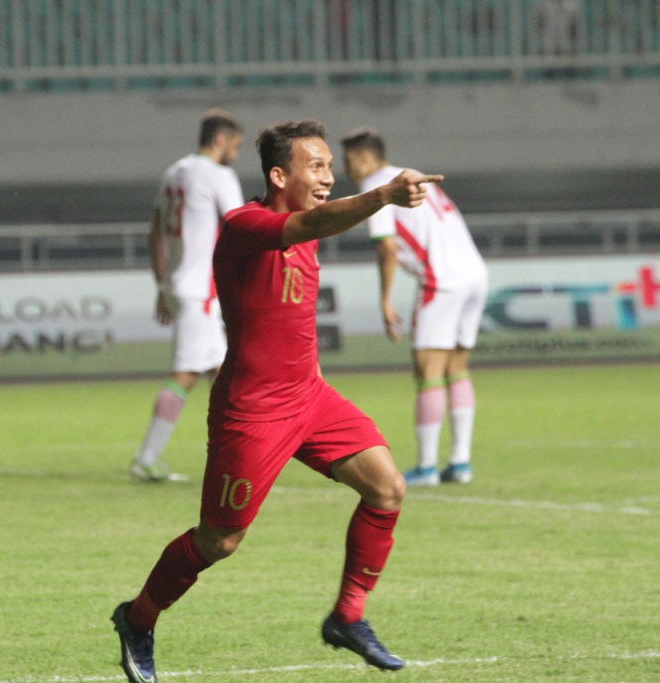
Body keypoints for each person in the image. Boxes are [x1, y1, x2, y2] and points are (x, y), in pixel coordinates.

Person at [111, 119, 441, 682]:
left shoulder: (308, 232)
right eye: (316, 166)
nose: (329, 176)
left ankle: (348, 617)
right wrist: (384, 195)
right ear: (278, 174)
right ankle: (138, 619)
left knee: (387, 488)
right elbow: (311, 220)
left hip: (310, 398)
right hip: (253, 411)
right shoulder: (245, 223)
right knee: (221, 539)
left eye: (330, 167)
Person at [341, 128, 488, 487]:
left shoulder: (378, 186)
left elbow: (386, 247)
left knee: (428, 372)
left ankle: (425, 467)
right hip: (475, 274)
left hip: (443, 280)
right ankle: (460, 462)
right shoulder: (412, 174)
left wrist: (385, 298)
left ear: (363, 157)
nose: (344, 170)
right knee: (457, 369)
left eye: (346, 161)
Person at [129, 109, 245, 483]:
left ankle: (238, 459)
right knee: (185, 374)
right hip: (201, 291)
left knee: (224, 375)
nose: (236, 155)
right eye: (236, 146)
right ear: (221, 140)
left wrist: (162, 286)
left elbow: (154, 233)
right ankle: (145, 458)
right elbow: (240, 227)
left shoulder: (174, 172)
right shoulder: (218, 175)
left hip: (180, 286)